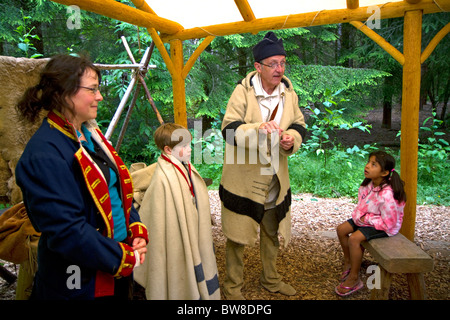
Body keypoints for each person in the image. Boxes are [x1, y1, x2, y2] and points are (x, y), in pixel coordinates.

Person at [14, 54, 148, 300]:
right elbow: (67, 232)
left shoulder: (89, 134)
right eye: (93, 89)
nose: (100, 96)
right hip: (76, 281)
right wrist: (121, 257)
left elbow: (115, 190)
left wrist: (134, 229)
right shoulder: (45, 154)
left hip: (111, 265)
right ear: (64, 93)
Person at [220, 31, 306, 299]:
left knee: (271, 232)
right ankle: (232, 287)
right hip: (243, 179)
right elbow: (229, 131)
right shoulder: (242, 92)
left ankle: (271, 280)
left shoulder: (288, 93)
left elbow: (299, 123)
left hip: (275, 178)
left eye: (282, 63)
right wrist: (259, 128)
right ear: (258, 67)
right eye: (273, 64)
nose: (279, 69)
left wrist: (293, 140)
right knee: (237, 236)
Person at [133, 123, 220, 300]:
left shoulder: (183, 165)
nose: (189, 150)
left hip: (189, 232)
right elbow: (159, 222)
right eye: (184, 146)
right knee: (178, 269)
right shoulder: (164, 178)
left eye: (190, 144)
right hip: (175, 239)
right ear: (168, 149)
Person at [335, 150, 406, 296]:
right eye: (368, 162)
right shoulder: (369, 183)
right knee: (341, 229)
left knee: (354, 239)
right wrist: (361, 217)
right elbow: (363, 204)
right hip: (366, 218)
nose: (367, 166)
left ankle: (354, 278)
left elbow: (389, 223)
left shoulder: (388, 195)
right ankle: (349, 261)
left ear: (385, 173)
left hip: (383, 226)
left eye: (373, 164)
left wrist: (366, 220)